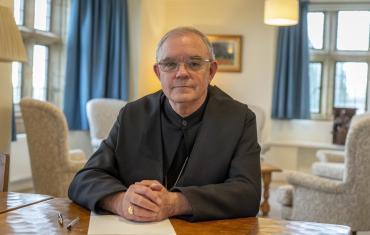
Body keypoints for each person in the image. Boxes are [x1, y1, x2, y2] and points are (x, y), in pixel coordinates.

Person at [68, 27, 261, 222]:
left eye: (194, 64)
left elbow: (248, 194)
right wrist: (120, 202)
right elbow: (84, 180)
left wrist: (176, 203)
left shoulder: (240, 119)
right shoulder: (132, 115)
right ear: (158, 72)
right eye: (170, 64)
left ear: (211, 71)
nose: (182, 73)